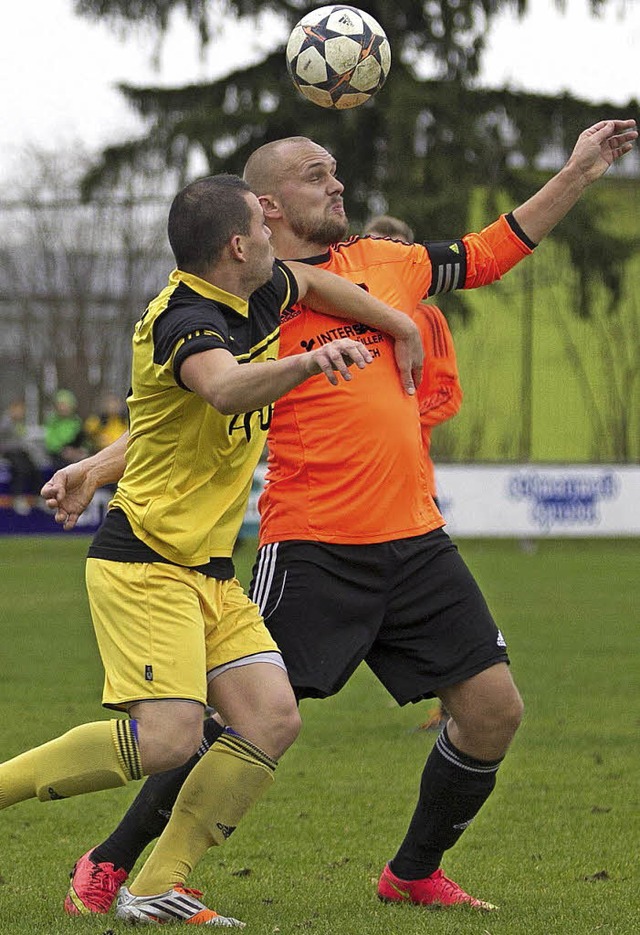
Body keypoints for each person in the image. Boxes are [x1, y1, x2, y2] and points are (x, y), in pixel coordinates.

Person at [42, 120, 637, 916]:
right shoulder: (250, 293)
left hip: (418, 541)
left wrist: (580, 171)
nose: (339, 185)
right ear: (266, 205)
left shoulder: (387, 267)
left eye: (336, 173)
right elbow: (187, 411)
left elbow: (492, 249)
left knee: (494, 710)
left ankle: (412, 871)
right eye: (317, 175)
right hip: (315, 543)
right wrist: (96, 464)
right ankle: (115, 861)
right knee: (235, 722)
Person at [0, 172, 424, 927]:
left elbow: (315, 288)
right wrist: (306, 364)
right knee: (170, 737)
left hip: (208, 572)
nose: (273, 239)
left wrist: (401, 324)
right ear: (237, 246)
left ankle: (160, 881)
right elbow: (225, 389)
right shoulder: (186, 320)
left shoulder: (254, 292)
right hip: (146, 565)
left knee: (270, 716)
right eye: (261, 230)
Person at [363, 213, 463, 732]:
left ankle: (455, 701)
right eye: (384, 248)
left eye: (402, 249)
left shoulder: (425, 317)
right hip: (354, 484)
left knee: (431, 589)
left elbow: (446, 393)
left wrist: (401, 420)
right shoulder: (344, 307)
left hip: (411, 478)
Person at [43, 388, 89, 472]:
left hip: (75, 454)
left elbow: (84, 440)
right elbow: (50, 441)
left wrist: (79, 450)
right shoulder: (52, 422)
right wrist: (63, 450)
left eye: (65, 405)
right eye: (60, 405)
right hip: (58, 455)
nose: (63, 408)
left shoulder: (76, 422)